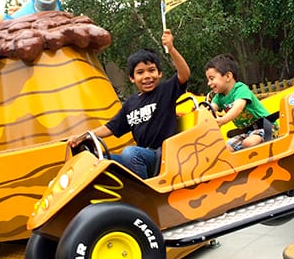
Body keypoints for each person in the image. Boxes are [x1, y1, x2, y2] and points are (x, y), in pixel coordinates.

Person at [68, 29, 190, 178]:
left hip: (162, 155)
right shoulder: (131, 103)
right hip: (142, 157)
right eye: (140, 72)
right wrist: (82, 137)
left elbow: (184, 74)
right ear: (132, 78)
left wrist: (171, 49)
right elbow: (110, 127)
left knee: (130, 152)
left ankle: (144, 190)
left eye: (151, 70)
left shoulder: (165, 91)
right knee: (98, 162)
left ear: (159, 73)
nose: (147, 76)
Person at [205, 54, 271, 151]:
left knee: (248, 143)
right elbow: (210, 109)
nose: (208, 83)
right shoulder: (218, 97)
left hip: (265, 127)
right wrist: (202, 112)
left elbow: (238, 108)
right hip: (247, 132)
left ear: (228, 76)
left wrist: (223, 120)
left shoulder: (240, 89)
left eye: (211, 78)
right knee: (225, 149)